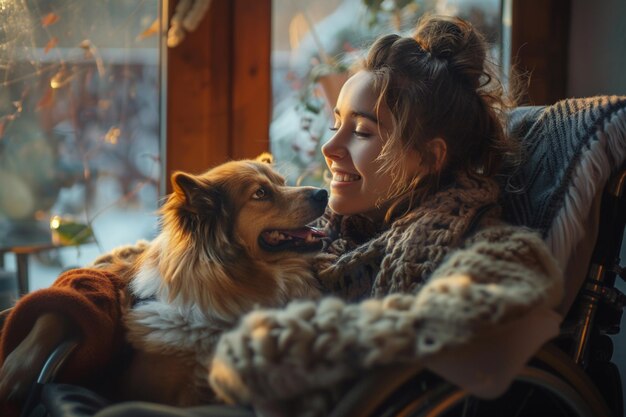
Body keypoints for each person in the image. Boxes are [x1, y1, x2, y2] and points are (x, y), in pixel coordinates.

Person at [0, 15, 563, 417]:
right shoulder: (327, 234)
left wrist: (301, 342)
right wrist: (55, 320)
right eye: (335, 121)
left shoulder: (475, 242)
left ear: (428, 158)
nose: (330, 147)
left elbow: (494, 305)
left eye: (362, 132)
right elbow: (135, 263)